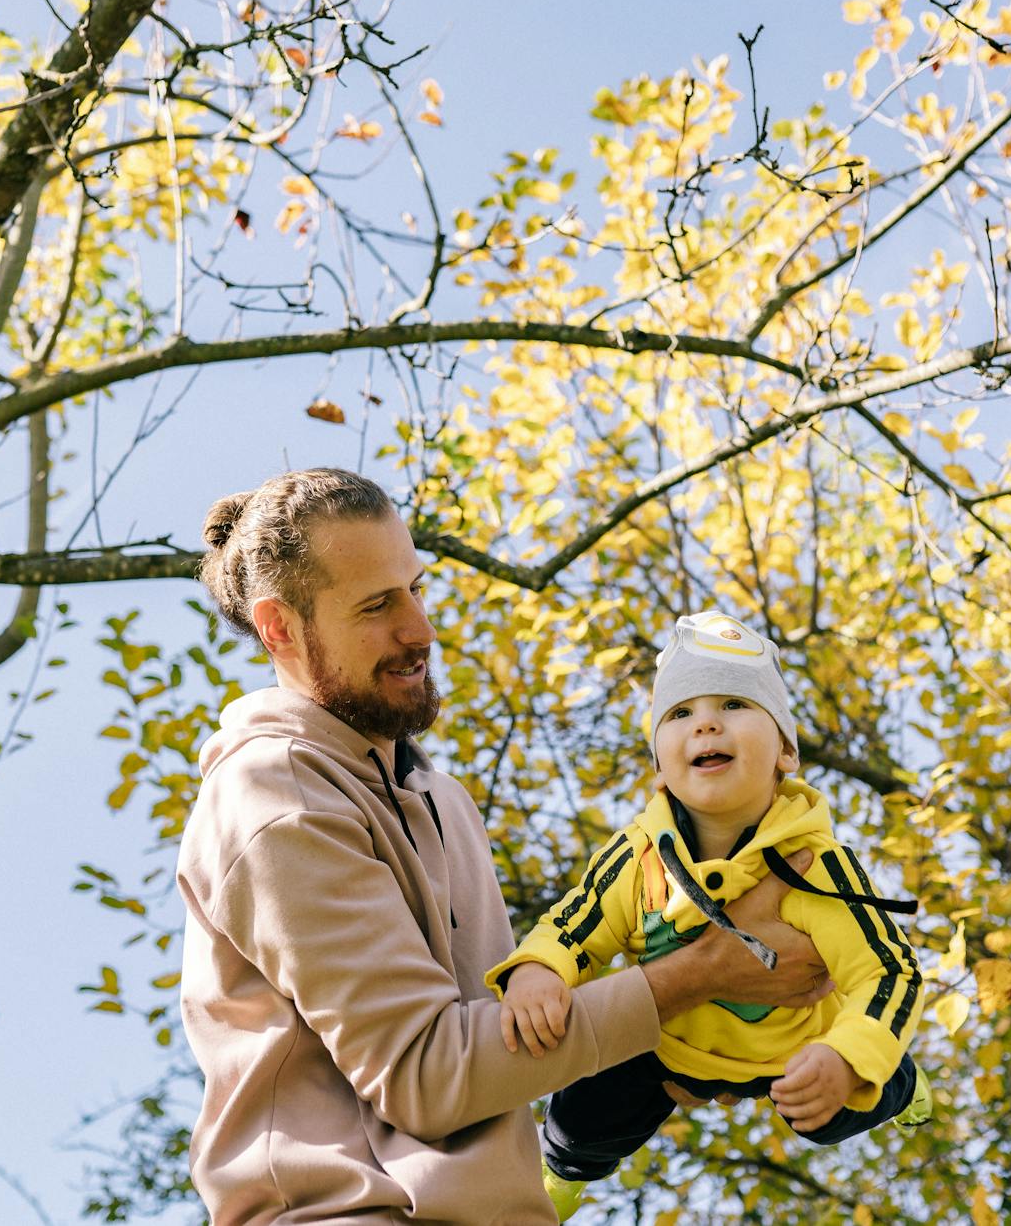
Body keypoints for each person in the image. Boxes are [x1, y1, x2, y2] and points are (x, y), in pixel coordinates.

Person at [177, 469, 834, 1224]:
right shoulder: (272, 793)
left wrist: (675, 1050)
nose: (419, 629)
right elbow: (427, 1076)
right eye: (376, 605)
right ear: (280, 628)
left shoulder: (438, 799)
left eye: (416, 589)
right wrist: (691, 978)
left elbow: (496, 1057)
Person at [493, 610, 931, 1218]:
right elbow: (576, 924)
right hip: (669, 1042)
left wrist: (849, 1058)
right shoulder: (640, 855)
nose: (704, 723)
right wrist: (539, 970)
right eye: (680, 713)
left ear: (786, 750)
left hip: (797, 1047)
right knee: (585, 1111)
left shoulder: (816, 865)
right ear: (659, 764)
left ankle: (902, 1086)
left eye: (732, 704)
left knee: (832, 1111)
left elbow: (890, 973)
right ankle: (559, 1178)